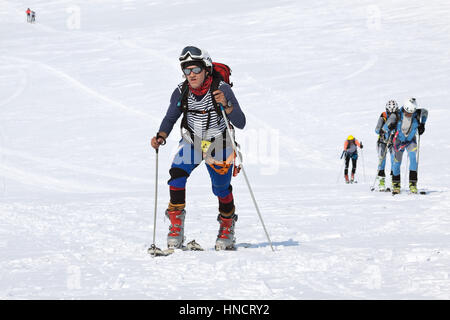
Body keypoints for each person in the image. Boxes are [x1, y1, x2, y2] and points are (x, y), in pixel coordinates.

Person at [150, 46, 246, 250]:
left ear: (206, 69)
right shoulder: (181, 91)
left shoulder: (222, 89)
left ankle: (227, 227)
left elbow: (241, 121)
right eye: (186, 71)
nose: (191, 75)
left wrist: (226, 105)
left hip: (220, 143)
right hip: (192, 142)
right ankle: (176, 228)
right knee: (176, 175)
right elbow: (170, 117)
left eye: (195, 70)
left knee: (220, 188)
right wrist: (161, 136)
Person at [386, 98, 428, 194]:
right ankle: (396, 185)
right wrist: (390, 126)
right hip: (398, 141)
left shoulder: (416, 113)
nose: (409, 115)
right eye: (407, 112)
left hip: (410, 140)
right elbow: (386, 126)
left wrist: (423, 124)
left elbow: (425, 112)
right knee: (397, 162)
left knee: (413, 158)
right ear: (404, 109)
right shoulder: (396, 115)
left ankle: (413, 184)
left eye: (411, 113)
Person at [374, 100, 399, 191]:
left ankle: (393, 181)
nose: (392, 113)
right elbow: (377, 129)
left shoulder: (398, 117)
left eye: (394, 111)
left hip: (393, 141)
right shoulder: (383, 116)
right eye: (390, 111)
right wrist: (383, 130)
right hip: (382, 141)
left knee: (394, 159)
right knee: (382, 159)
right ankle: (381, 181)